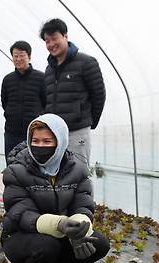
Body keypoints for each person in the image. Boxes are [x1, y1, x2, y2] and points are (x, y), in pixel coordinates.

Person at [1, 113, 110, 263]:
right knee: (47, 245)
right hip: (22, 235)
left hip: (61, 232)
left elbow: (83, 204)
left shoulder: (78, 169)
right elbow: (21, 213)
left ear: (61, 142)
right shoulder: (16, 171)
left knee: (99, 243)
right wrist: (60, 224)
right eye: (35, 140)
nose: (40, 146)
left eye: (47, 141)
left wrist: (78, 227)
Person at [40, 18, 106, 166]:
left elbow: (99, 96)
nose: (51, 44)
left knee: (79, 174)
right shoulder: (49, 69)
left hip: (77, 131)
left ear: (65, 36)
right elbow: (47, 99)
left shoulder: (86, 63)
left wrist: (87, 121)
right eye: (47, 41)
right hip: (55, 133)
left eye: (54, 38)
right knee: (57, 173)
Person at [1, 40, 46, 162]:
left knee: (33, 165)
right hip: (11, 131)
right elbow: (4, 102)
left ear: (29, 56)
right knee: (12, 165)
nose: (18, 59)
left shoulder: (41, 78)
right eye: (15, 56)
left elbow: (46, 103)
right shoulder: (8, 80)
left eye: (22, 55)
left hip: (34, 133)